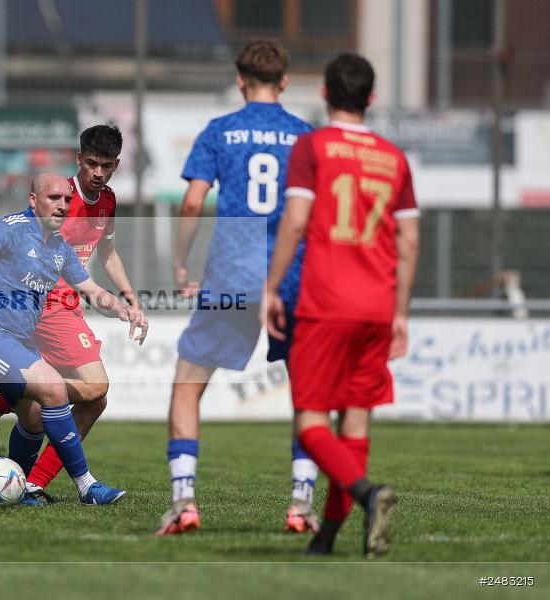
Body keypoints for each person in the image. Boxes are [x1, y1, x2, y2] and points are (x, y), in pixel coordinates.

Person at [264, 53, 420, 557]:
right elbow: (409, 241)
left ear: (325, 93)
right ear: (371, 97)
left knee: (310, 423)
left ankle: (368, 493)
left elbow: (295, 220)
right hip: (377, 305)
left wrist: (271, 287)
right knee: (355, 424)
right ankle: (327, 537)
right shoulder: (394, 158)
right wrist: (400, 313)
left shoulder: (313, 146)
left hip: (326, 302)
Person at [156, 40, 314, 536]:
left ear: (240, 80)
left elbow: (192, 203)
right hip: (293, 278)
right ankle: (301, 504)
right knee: (308, 394)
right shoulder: (305, 136)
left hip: (231, 276)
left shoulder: (220, 130)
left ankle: (184, 501)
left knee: (187, 385)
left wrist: (181, 262)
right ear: (283, 81)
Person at [0, 173, 147, 505]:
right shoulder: (9, 229)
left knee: (34, 418)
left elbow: (92, 291)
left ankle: (23, 487)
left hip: (19, 344)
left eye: (66, 200)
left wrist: (124, 309)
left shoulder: (60, 248)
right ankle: (86, 486)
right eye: (53, 198)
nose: (62, 205)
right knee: (54, 388)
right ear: (33, 200)